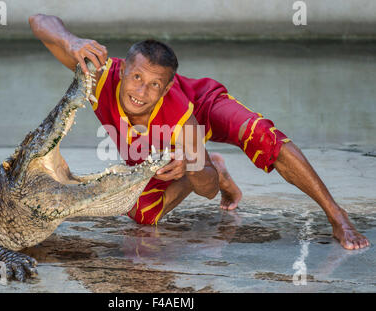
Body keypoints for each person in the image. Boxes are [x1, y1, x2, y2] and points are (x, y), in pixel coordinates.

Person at [28, 14, 370, 250]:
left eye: (153, 85)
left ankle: (337, 216)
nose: (141, 91)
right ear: (122, 71)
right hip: (164, 137)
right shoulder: (100, 72)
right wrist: (71, 42)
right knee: (142, 215)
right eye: (136, 78)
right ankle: (217, 166)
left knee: (262, 136)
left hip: (201, 106)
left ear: (165, 88)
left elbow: (207, 192)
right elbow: (38, 21)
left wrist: (193, 163)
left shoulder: (180, 117)